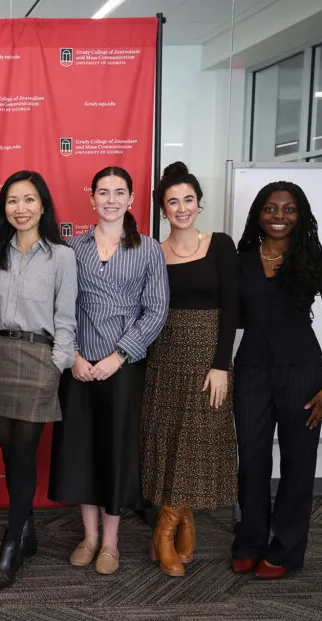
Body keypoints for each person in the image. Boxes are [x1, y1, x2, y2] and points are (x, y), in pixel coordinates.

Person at [48, 166, 169, 575]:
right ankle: (89, 536)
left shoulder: (149, 249)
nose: (111, 199)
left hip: (123, 367)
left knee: (115, 452)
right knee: (80, 450)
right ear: (92, 198)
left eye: (120, 192)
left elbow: (156, 311)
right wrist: (75, 357)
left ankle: (111, 543)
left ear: (132, 199)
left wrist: (119, 356)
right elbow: (60, 307)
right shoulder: (72, 248)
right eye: (104, 192)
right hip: (78, 365)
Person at [232, 181, 322, 580]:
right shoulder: (241, 259)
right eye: (270, 208)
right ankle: (249, 541)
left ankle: (285, 550)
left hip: (302, 374)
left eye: (288, 209)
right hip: (250, 372)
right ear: (258, 214)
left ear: (302, 215)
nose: (278, 216)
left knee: (299, 464)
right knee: (251, 461)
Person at [0, 170, 77, 591]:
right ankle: (25, 527)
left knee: (26, 455)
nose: (21, 208)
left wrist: (58, 362)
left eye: (29, 200)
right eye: (13, 201)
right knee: (10, 455)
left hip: (37, 358)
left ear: (43, 205)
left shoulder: (61, 257)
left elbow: (66, 319)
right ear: (4, 209)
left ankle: (11, 543)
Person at [140, 162, 238, 577]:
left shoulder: (220, 244)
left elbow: (232, 307)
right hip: (164, 354)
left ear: (199, 204)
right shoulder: (152, 250)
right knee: (169, 438)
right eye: (172, 201)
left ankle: (163, 531)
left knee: (198, 439)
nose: (181, 208)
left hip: (208, 356)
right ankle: (186, 520)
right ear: (163, 209)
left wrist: (221, 365)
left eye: (188, 200)